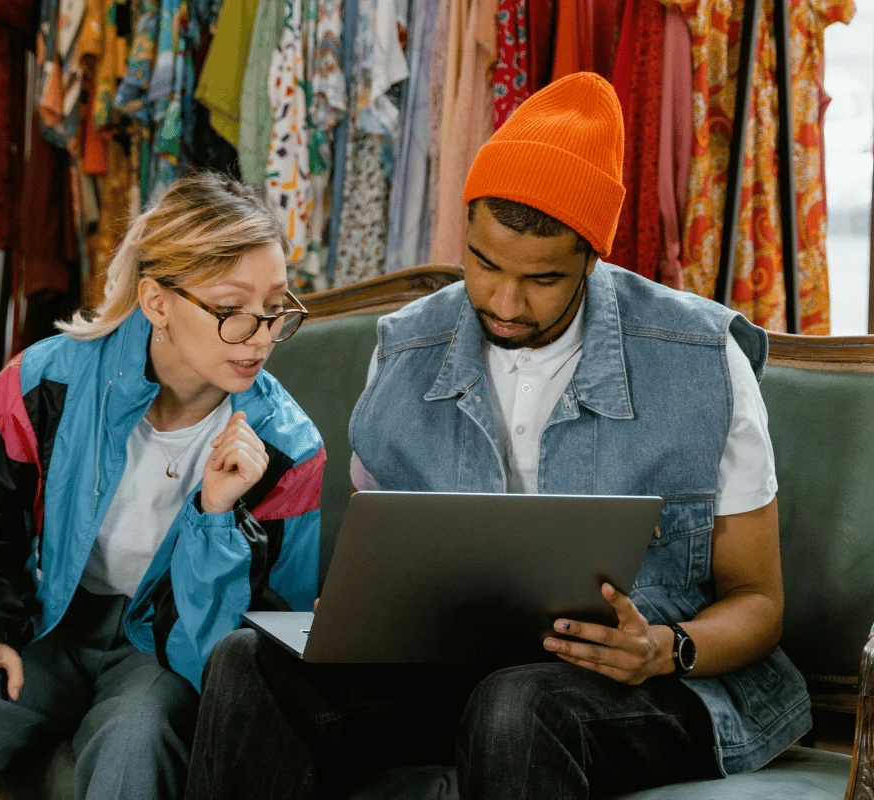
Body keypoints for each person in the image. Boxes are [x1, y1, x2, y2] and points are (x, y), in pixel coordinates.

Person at [185, 73, 809, 800]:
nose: (505, 303)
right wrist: (362, 614)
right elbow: (385, 551)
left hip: (645, 686)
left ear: (591, 258)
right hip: (446, 677)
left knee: (514, 706)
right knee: (245, 662)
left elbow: (758, 603)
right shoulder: (404, 348)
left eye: (542, 279)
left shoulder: (701, 357)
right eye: (483, 263)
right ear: (466, 230)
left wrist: (665, 650)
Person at [0, 173, 327, 799]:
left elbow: (249, 649)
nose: (263, 334)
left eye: (276, 306)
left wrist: (217, 518)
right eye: (231, 309)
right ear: (157, 301)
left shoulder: (287, 449)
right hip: (46, 623)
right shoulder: (50, 381)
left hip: (163, 653)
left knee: (136, 740)